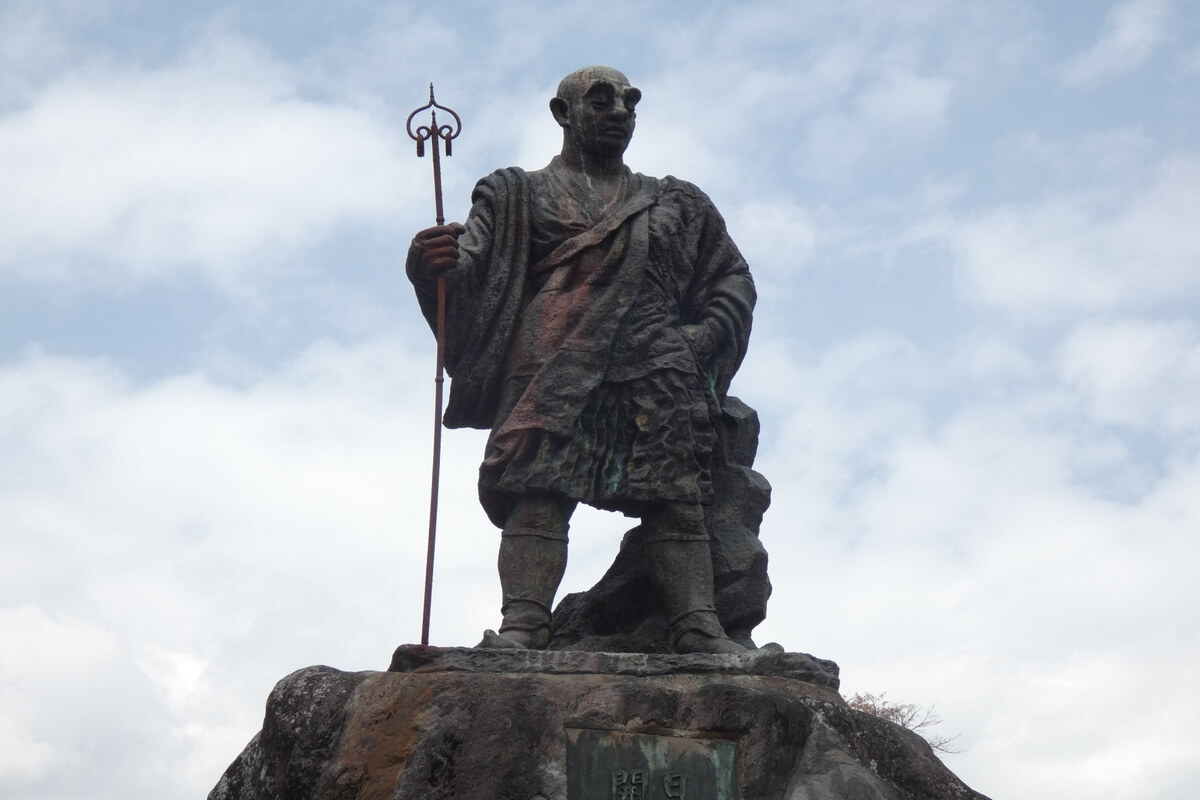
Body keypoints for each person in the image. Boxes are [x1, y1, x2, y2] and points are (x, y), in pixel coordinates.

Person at [407, 66, 756, 654]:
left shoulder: (679, 202)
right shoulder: (516, 194)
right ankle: (524, 625)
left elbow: (730, 278)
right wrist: (430, 265)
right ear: (562, 112)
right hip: (552, 363)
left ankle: (698, 626)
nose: (619, 110)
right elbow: (469, 277)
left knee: (676, 500)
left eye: (629, 101)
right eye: (601, 100)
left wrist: (701, 340)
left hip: (658, 366)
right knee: (538, 494)